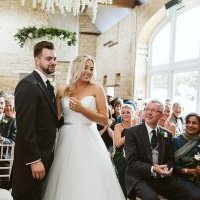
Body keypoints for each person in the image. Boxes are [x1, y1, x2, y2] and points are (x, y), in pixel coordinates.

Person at [42, 54, 125, 200]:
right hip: (67, 137)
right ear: (75, 68)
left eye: (91, 69)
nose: (88, 71)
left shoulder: (96, 89)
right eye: (85, 68)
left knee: (89, 174)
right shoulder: (63, 90)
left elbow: (105, 119)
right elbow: (55, 118)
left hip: (89, 136)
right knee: (67, 175)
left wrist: (83, 110)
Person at [124, 99, 200, 200]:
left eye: (153, 110)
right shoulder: (132, 132)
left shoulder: (167, 134)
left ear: (161, 115)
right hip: (139, 178)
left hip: (162, 178)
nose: (149, 112)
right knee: (152, 198)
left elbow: (170, 159)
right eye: (147, 109)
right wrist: (153, 169)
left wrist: (166, 168)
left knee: (193, 196)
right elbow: (132, 162)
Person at [12, 41, 58, 200]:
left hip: (46, 156)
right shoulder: (28, 84)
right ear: (37, 60)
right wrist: (34, 160)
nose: (53, 62)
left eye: (54, 59)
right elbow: (25, 127)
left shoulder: (46, 85)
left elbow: (47, 121)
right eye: (48, 59)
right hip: (31, 161)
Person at [173, 113, 200, 199]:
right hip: (182, 178)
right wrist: (192, 171)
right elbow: (173, 167)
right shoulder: (175, 141)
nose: (190, 125)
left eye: (194, 123)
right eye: (188, 122)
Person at [112, 104, 136, 195]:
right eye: (123, 113)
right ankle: (124, 195)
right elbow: (118, 143)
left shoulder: (137, 127)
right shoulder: (118, 126)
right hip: (120, 156)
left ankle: (132, 195)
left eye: (128, 112)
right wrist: (131, 131)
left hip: (134, 156)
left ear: (133, 114)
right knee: (125, 170)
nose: (125, 114)